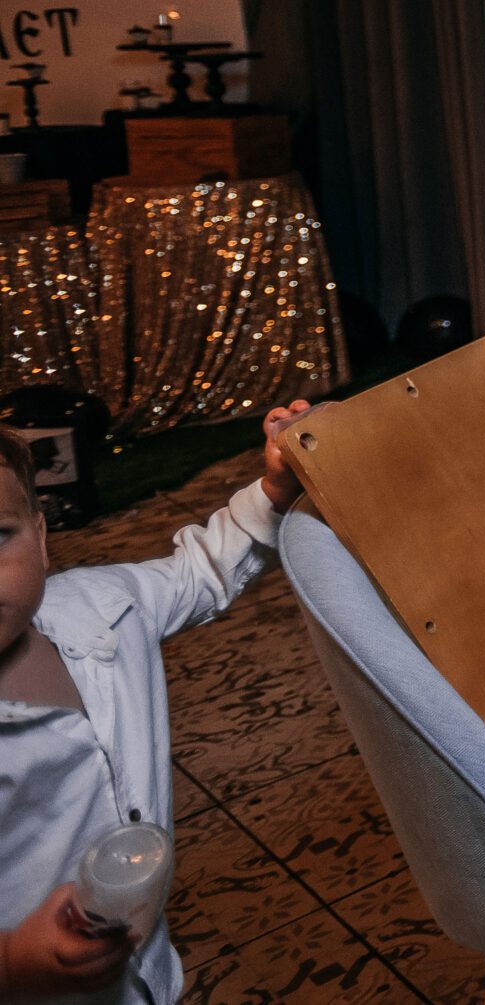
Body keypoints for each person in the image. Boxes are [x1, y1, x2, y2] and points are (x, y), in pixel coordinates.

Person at [0, 405, 309, 1004]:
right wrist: (13, 965)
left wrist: (275, 490)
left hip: (147, 976)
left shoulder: (101, 604)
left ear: (39, 538)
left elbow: (202, 569)